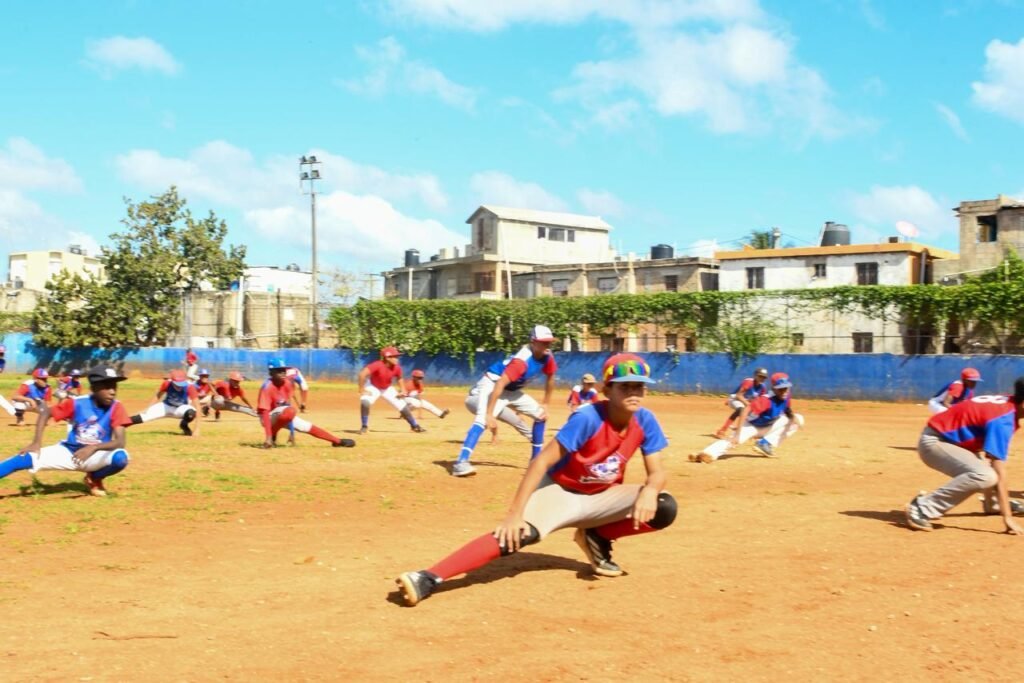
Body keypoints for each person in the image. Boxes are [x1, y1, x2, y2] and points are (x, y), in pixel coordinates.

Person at [395, 353, 677, 606]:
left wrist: (652, 489)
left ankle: (596, 536)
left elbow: (657, 472)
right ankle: (428, 577)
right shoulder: (588, 418)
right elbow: (542, 461)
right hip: (561, 491)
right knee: (515, 535)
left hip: (601, 495)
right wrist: (514, 514)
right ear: (607, 390)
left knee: (664, 506)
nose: (634, 393)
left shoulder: (645, 419)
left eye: (639, 386)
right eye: (625, 386)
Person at [905, 379, 1024, 534]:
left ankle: (992, 504)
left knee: (986, 470)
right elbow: (999, 469)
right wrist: (1007, 517)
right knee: (984, 475)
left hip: (954, 442)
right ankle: (922, 507)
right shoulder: (1003, 419)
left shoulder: (1010, 404)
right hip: (935, 442)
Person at [0, 365, 132, 497]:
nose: (112, 391)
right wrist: (36, 442)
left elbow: (120, 442)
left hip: (96, 455)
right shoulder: (78, 403)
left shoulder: (117, 406)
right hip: (69, 452)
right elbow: (46, 412)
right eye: (107, 386)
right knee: (22, 459)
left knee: (121, 458)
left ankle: (94, 478)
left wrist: (94, 448)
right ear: (94, 388)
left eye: (114, 386)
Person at [451, 325, 557, 477]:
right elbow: (500, 383)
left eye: (549, 342)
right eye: (544, 342)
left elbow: (551, 376)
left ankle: (535, 462)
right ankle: (460, 463)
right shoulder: (521, 361)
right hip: (492, 383)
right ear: (533, 342)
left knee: (541, 415)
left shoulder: (548, 356)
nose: (548, 345)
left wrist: (546, 403)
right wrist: (489, 414)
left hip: (510, 390)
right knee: (482, 419)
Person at [689, 372, 803, 463]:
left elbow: (787, 410)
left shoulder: (786, 396)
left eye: (786, 388)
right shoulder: (766, 400)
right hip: (752, 426)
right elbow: (745, 410)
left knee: (798, 419)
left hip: (768, 426)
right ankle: (706, 454)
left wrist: (793, 421)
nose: (784, 391)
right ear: (774, 388)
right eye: (781, 389)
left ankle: (765, 443)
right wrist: (738, 432)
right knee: (735, 440)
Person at [258, 358, 354, 448]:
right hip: (267, 418)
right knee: (290, 411)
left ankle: (337, 441)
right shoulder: (267, 387)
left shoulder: (287, 383)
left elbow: (287, 409)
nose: (283, 372)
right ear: (271, 372)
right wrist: (268, 437)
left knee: (306, 426)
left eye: (284, 370)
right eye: (279, 370)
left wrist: (292, 432)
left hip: (282, 414)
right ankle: (272, 436)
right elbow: (265, 413)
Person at [357, 347, 424, 434]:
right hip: (373, 386)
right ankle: (364, 426)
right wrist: (361, 390)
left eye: (397, 357)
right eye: (395, 357)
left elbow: (400, 378)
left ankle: (414, 426)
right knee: (365, 402)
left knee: (402, 406)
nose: (397, 359)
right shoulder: (377, 365)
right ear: (387, 357)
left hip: (387, 388)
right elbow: (362, 374)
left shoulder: (397, 367)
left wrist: (403, 390)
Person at [128, 369, 202, 437]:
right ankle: (121, 424)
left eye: (181, 384)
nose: (179, 387)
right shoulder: (167, 383)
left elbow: (198, 406)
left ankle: (184, 424)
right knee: (145, 416)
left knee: (191, 413)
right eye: (177, 384)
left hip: (180, 409)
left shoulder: (189, 386)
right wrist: (148, 408)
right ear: (172, 381)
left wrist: (197, 429)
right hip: (166, 406)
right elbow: (158, 396)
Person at [715, 367, 769, 438]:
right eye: (760, 376)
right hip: (735, 398)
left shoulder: (762, 387)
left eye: (764, 377)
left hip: (745, 401)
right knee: (741, 409)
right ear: (755, 375)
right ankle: (722, 430)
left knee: (756, 413)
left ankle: (740, 428)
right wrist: (749, 405)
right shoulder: (749, 382)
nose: (762, 378)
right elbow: (739, 395)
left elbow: (760, 401)